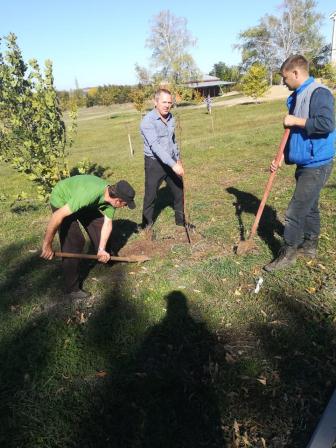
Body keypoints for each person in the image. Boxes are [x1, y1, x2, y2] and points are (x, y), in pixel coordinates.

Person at [264, 55, 335, 272]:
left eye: (285, 78)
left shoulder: (318, 92)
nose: (284, 82)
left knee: (295, 210)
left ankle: (288, 252)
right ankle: (310, 245)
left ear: (296, 73)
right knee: (309, 205)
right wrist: (283, 157)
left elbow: (326, 124)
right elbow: (294, 134)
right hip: (305, 161)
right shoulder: (297, 96)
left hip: (317, 162)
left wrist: (295, 120)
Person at [41, 175, 136, 298]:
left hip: (82, 200)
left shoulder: (110, 200)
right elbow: (57, 216)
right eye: (125, 204)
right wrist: (47, 244)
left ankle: (106, 257)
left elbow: (107, 224)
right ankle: (72, 289)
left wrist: (101, 249)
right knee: (75, 241)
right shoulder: (90, 194)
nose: (124, 206)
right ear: (118, 200)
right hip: (62, 198)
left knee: (99, 225)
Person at [140, 88, 194, 232]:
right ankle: (146, 225)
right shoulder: (147, 121)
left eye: (169, 102)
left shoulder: (171, 118)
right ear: (155, 102)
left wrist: (178, 159)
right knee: (151, 195)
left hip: (171, 160)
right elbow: (155, 146)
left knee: (178, 190)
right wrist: (173, 165)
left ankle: (180, 220)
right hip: (154, 163)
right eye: (164, 102)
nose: (167, 105)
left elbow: (172, 141)